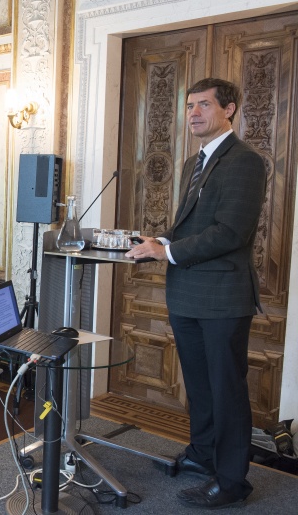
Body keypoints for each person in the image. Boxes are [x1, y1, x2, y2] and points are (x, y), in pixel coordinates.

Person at [125, 78, 266, 510]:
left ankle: (231, 482)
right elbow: (187, 225)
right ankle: (204, 456)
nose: (193, 113)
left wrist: (167, 252)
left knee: (226, 391)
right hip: (187, 295)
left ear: (230, 109)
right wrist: (154, 243)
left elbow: (230, 232)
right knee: (201, 388)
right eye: (189, 106)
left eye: (204, 105)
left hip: (222, 298)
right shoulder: (193, 163)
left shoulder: (245, 161)